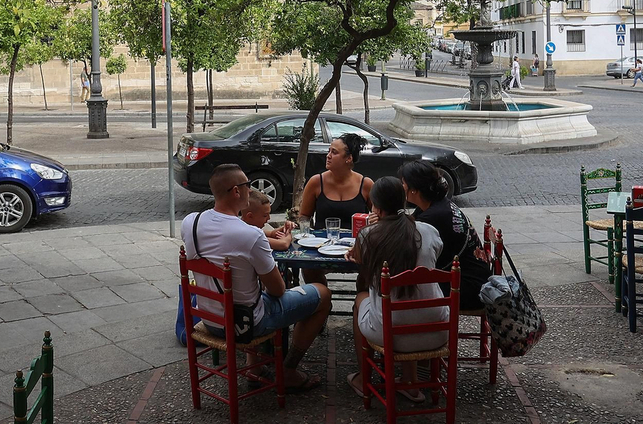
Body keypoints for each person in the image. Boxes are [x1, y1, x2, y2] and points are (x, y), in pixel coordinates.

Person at [183, 164, 331, 392]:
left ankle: (256, 367)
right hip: (245, 324)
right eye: (247, 185)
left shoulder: (190, 222)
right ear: (236, 191)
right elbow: (278, 291)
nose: (250, 189)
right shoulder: (250, 235)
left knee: (250, 295)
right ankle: (289, 370)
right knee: (322, 294)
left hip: (210, 319)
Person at [346, 177, 449, 401]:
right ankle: (410, 383)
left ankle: (364, 379)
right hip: (437, 331)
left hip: (390, 336)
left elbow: (360, 260)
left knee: (362, 298)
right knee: (411, 299)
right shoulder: (428, 231)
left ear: (376, 207)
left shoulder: (369, 235)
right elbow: (435, 254)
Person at [398, 160, 492, 310]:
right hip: (475, 277)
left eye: (403, 183)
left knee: (403, 288)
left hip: (467, 288)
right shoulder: (437, 204)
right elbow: (408, 224)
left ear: (414, 189)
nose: (401, 187)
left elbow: (406, 245)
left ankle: (415, 330)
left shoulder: (433, 217)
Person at [297, 133, 373, 287]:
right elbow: (304, 216)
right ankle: (322, 301)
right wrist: (305, 233)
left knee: (370, 267)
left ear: (348, 158)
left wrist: (374, 221)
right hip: (321, 247)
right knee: (307, 267)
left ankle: (361, 303)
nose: (328, 156)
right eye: (329, 151)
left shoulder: (366, 184)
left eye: (334, 152)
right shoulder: (316, 182)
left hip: (356, 248)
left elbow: (380, 216)